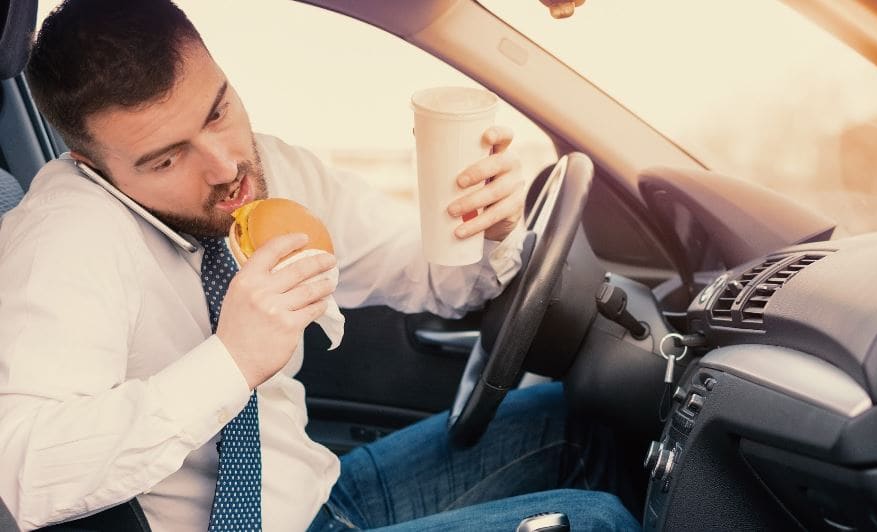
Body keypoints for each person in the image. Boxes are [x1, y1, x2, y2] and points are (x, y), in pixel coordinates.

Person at [0, 0, 638, 530]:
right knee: (593, 523)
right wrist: (230, 361)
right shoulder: (66, 239)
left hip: (321, 498)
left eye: (218, 112)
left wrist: (488, 229)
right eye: (167, 160)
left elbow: (428, 277)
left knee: (581, 423)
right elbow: (28, 476)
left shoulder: (272, 172)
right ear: (93, 167)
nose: (225, 167)